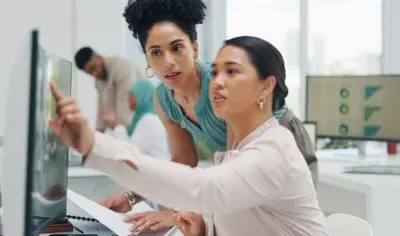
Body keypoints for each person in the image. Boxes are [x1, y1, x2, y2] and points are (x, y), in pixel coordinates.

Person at [49, 35, 329, 236]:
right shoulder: (237, 149)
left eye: (232, 72)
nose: (217, 81)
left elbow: (206, 190)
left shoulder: (274, 149)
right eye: (216, 71)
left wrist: (92, 144)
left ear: (266, 87)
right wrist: (202, 229)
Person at [98, 0, 318, 232]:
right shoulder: (163, 99)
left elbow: (226, 178)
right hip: (239, 162)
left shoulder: (218, 88)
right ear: (147, 58)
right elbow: (184, 161)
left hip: (279, 138)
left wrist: (175, 215)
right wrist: (131, 197)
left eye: (176, 48)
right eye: (156, 53)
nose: (168, 62)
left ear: (194, 48)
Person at [74, 47, 144, 132]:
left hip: (143, 121)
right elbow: (103, 110)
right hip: (127, 126)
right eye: (89, 73)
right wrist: (97, 136)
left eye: (93, 68)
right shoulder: (98, 82)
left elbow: (125, 111)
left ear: (99, 57)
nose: (94, 74)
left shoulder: (122, 68)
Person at [100, 79, 170, 160]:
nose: (128, 99)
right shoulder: (141, 118)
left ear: (143, 96)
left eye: (132, 95)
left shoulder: (149, 120)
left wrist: (117, 125)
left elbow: (129, 152)